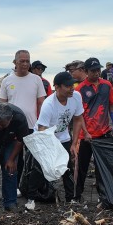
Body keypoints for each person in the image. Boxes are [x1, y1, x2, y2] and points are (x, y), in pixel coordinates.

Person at [36, 72, 88, 202]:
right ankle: (35, 197)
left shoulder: (76, 96)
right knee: (43, 168)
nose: (72, 88)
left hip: (63, 136)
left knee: (68, 167)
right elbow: (42, 129)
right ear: (57, 87)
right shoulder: (49, 104)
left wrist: (74, 143)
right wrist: (52, 150)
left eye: (72, 85)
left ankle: (70, 198)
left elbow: (77, 119)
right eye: (68, 86)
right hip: (45, 137)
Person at [75, 58, 113, 201]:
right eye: (93, 70)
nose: (96, 73)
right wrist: (85, 132)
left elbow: (112, 106)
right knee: (81, 166)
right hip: (86, 135)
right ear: (86, 71)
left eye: (98, 70)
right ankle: (77, 195)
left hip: (103, 132)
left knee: (103, 167)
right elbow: (78, 114)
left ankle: (104, 196)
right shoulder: (79, 89)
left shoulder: (106, 85)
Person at [0, 50, 46, 130]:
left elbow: (41, 103)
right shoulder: (6, 81)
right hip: (11, 125)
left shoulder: (37, 79)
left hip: (31, 125)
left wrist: (41, 124)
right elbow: (3, 104)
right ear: (15, 62)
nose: (25, 64)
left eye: (27, 61)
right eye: (22, 61)